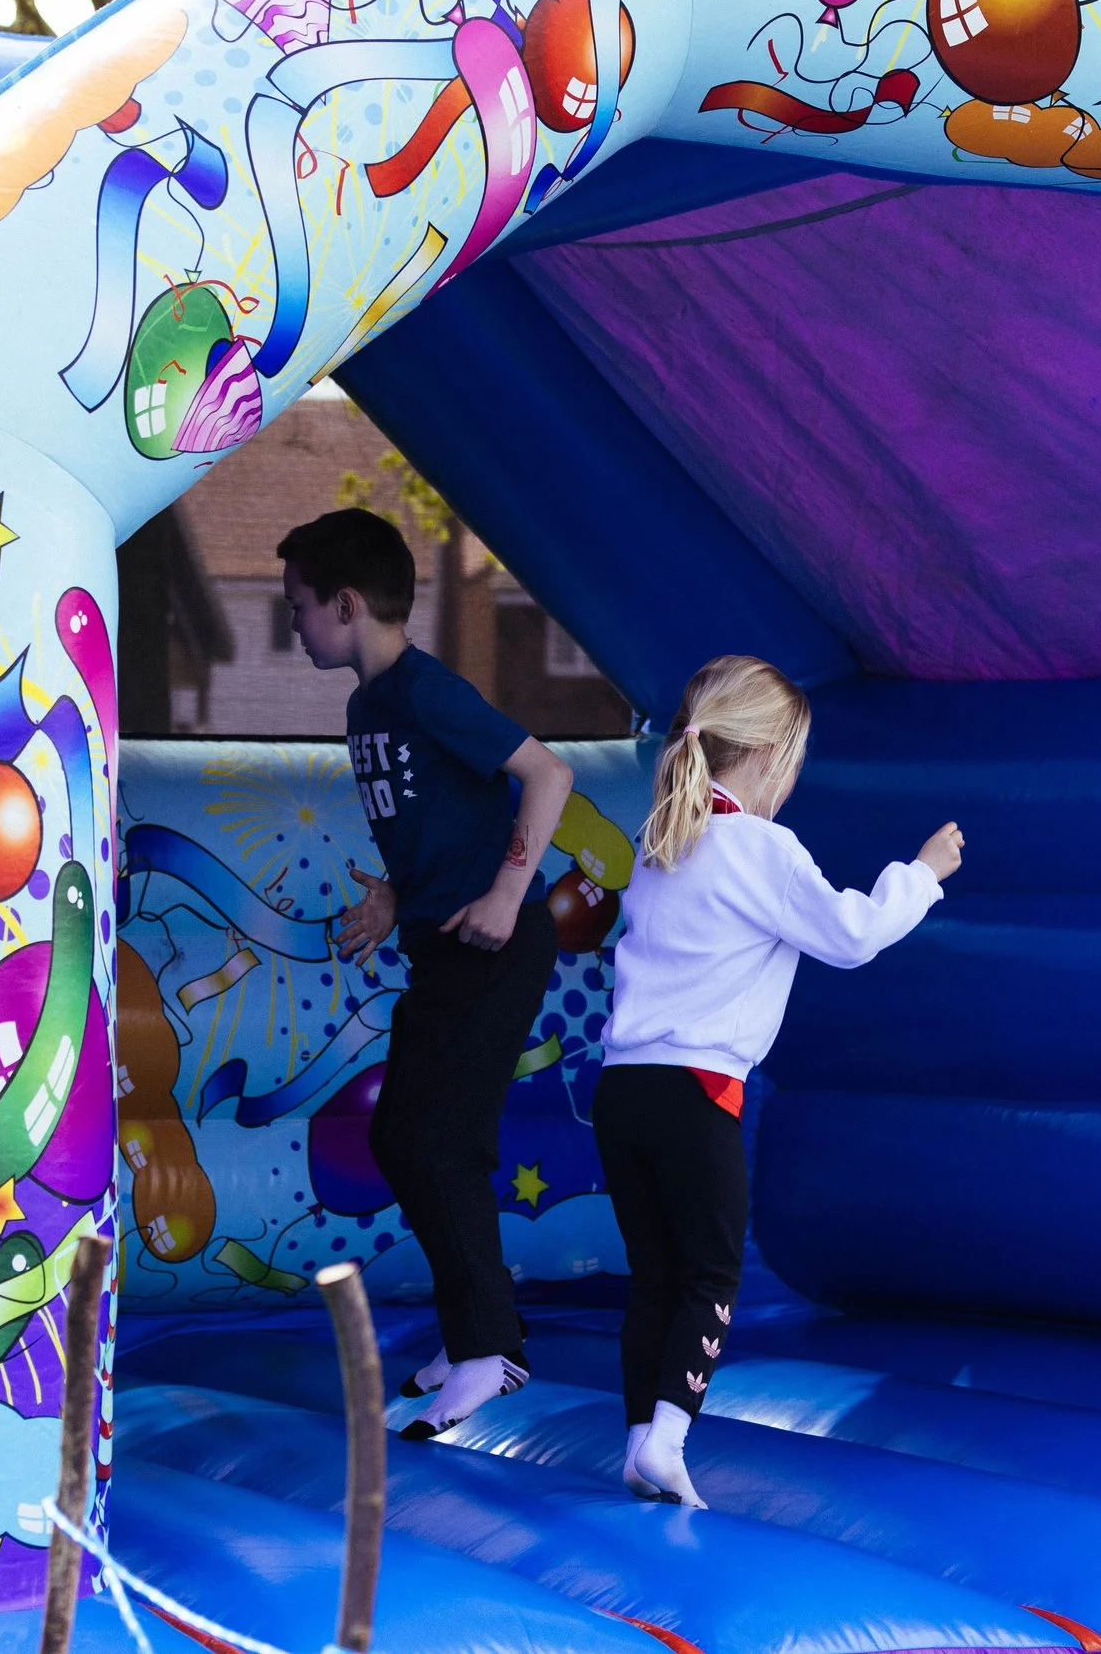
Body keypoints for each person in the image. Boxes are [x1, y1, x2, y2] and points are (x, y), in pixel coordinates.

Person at [596, 654, 963, 1506]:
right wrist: (923, 874)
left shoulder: (663, 842)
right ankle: (670, 1437)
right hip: (695, 1091)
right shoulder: (759, 846)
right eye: (792, 764)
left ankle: (637, 1439)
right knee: (711, 1272)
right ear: (765, 757)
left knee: (654, 1273)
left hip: (624, 1090)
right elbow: (852, 932)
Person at [280, 508, 574, 1440]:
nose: (293, 625)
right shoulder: (368, 708)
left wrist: (504, 891)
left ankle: (491, 1351)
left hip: (498, 942)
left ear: (348, 602)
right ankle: (475, 1332)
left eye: (299, 607)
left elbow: (548, 774)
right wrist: (391, 901)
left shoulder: (424, 689)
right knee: (406, 1138)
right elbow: (435, 829)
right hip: (442, 943)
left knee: (438, 1144)